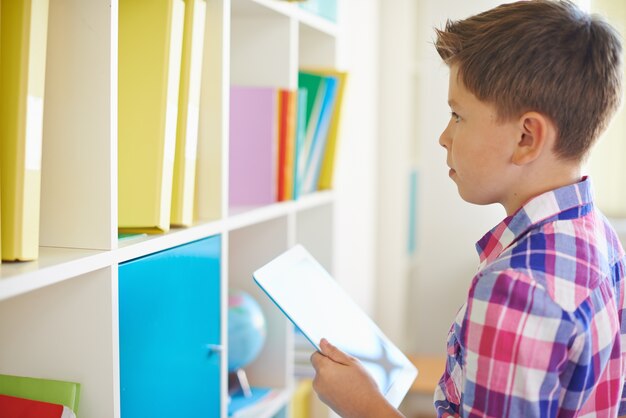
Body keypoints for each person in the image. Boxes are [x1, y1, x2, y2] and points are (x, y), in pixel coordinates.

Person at [310, 1, 626, 417]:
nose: (444, 137)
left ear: (526, 138)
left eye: (458, 115)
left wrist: (363, 404)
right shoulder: (596, 233)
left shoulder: (517, 290)